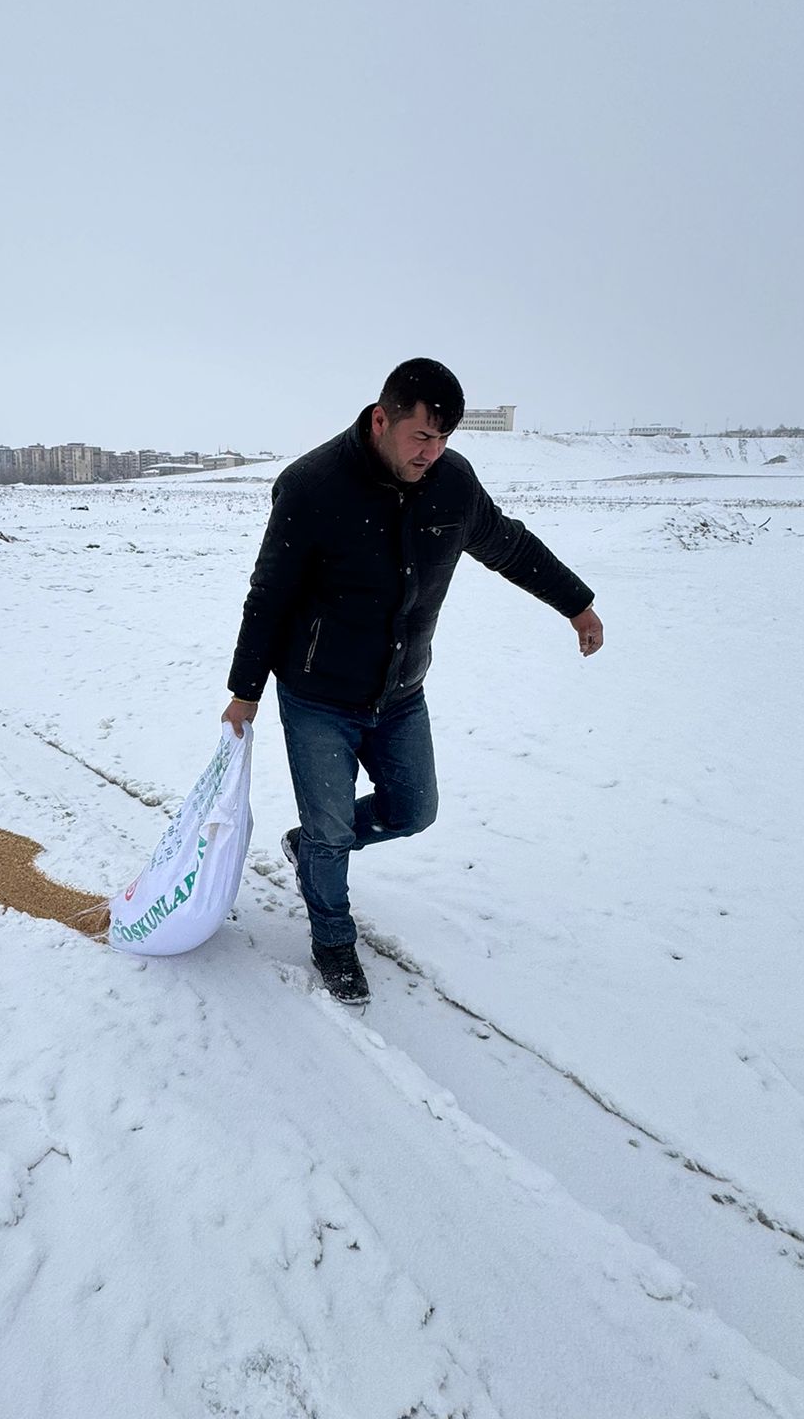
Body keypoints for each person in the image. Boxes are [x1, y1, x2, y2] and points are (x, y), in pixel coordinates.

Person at [223, 358, 603, 1004]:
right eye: (421, 437)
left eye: (444, 439)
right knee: (332, 830)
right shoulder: (312, 486)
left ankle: (311, 844)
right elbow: (270, 595)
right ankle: (332, 938)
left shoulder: (450, 484)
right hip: (318, 694)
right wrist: (246, 690)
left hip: (400, 692)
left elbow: (506, 544)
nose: (432, 453)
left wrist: (576, 603)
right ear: (382, 419)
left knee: (413, 810)